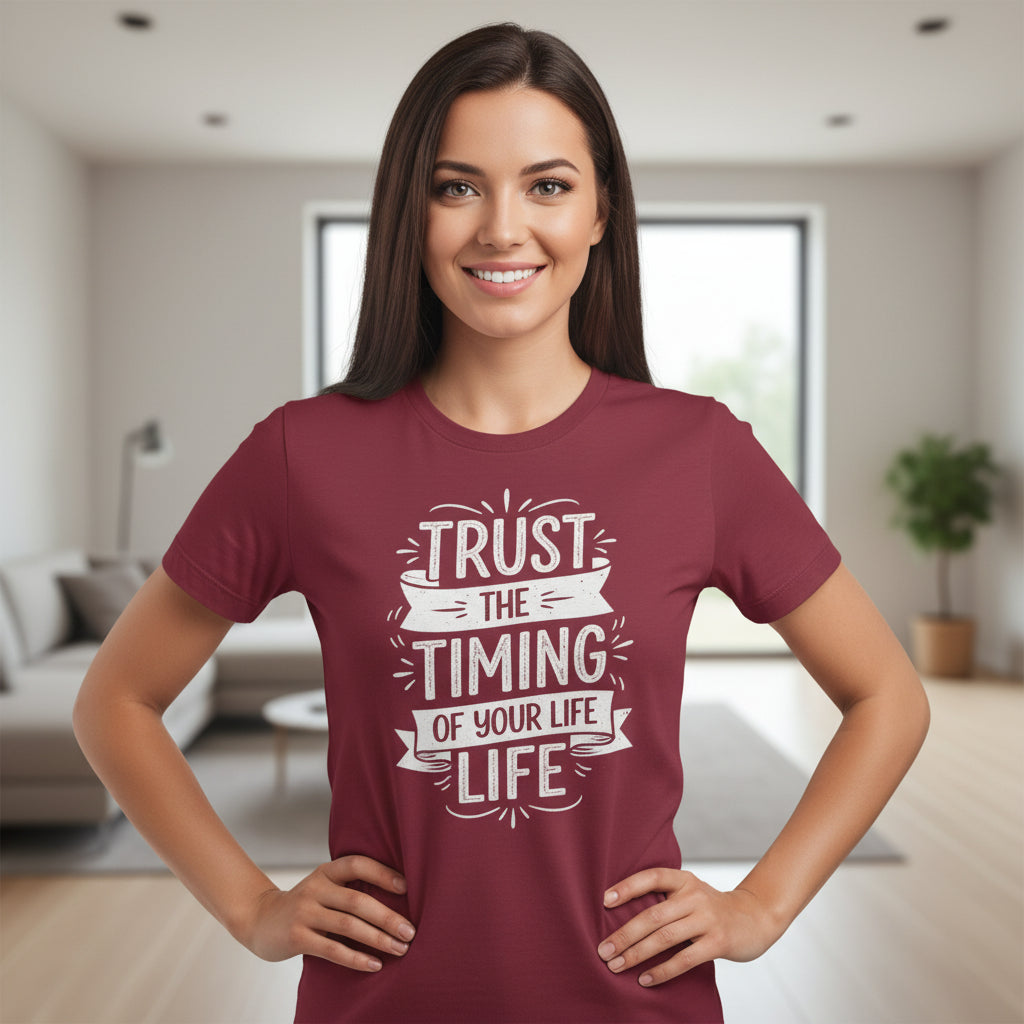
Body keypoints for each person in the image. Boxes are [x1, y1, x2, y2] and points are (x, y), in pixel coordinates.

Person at [73, 22, 930, 1024]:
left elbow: (887, 696)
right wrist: (250, 907)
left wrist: (763, 905)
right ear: (410, 209)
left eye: (548, 185)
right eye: (457, 187)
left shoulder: (697, 450)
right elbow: (115, 701)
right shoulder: (303, 453)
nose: (501, 228)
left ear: (601, 210)